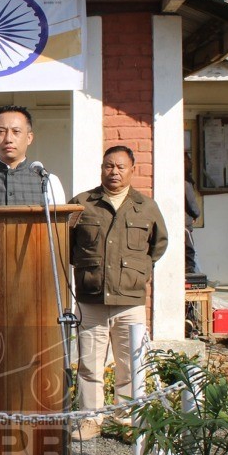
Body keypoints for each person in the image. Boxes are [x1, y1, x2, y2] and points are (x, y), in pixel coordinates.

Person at [68, 146, 167, 439]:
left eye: (121, 167)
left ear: (132, 169)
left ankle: (127, 419)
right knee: (89, 363)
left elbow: (158, 244)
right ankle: (90, 421)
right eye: (109, 166)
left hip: (130, 300)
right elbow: (66, 242)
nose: (114, 172)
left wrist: (139, 270)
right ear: (101, 168)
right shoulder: (82, 203)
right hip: (91, 297)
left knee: (130, 364)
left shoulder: (146, 206)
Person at [184, 152, 202, 274]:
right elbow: (192, 203)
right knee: (190, 253)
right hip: (185, 223)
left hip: (181, 222)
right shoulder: (185, 182)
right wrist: (196, 214)